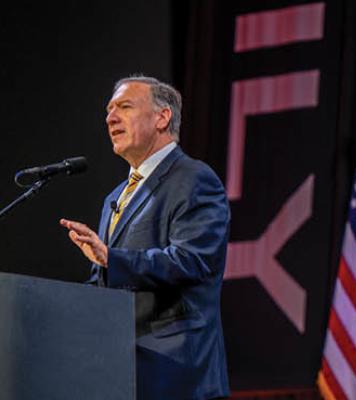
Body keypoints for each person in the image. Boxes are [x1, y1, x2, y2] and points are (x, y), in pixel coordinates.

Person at [60, 76, 230, 400]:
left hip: (177, 375)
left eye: (124, 107)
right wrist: (61, 310)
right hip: (121, 374)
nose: (110, 117)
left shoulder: (194, 179)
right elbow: (104, 286)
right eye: (109, 110)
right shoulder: (115, 197)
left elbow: (191, 260)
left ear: (162, 117)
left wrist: (112, 257)